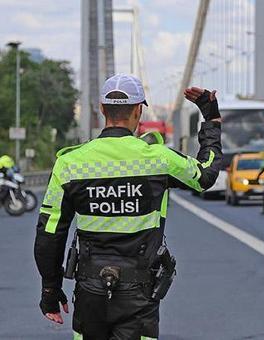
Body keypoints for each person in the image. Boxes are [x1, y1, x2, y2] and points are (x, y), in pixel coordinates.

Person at [34, 74, 222, 340]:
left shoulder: (70, 164)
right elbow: (206, 175)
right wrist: (211, 119)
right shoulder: (158, 159)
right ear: (138, 110)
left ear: (102, 110)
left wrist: (50, 292)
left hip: (90, 291)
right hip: (140, 292)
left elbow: (49, 234)